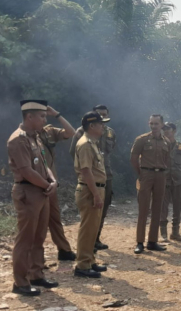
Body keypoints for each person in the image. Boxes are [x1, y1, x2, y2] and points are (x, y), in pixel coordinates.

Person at [7, 100, 59, 296]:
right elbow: (26, 171)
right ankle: (20, 282)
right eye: (42, 116)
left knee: (39, 236)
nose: (45, 120)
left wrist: (52, 180)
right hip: (28, 192)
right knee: (25, 239)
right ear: (30, 117)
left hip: (42, 191)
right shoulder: (17, 140)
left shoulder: (35, 137)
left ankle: (36, 274)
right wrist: (47, 185)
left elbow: (45, 164)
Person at [69, 105, 117, 250]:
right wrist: (84, 170)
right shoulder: (83, 134)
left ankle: (95, 239)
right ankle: (87, 250)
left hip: (105, 175)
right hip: (89, 176)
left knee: (102, 209)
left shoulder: (110, 133)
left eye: (104, 115)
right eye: (99, 115)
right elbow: (74, 152)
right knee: (90, 213)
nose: (103, 119)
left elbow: (109, 153)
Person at [73, 112, 110, 278]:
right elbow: (86, 171)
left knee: (93, 228)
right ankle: (82, 265)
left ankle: (90, 260)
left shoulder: (93, 143)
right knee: (88, 229)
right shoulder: (86, 144)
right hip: (90, 190)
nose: (103, 126)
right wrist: (96, 194)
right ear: (92, 126)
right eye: (101, 124)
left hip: (95, 189)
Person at [38, 106, 76, 261]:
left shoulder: (49, 132)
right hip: (35, 184)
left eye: (45, 115)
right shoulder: (25, 136)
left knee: (55, 217)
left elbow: (70, 132)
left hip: (51, 184)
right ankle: (34, 259)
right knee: (37, 222)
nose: (44, 119)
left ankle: (64, 250)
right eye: (41, 116)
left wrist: (57, 114)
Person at [130, 114, 170, 254]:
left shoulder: (166, 141)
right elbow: (134, 158)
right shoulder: (142, 139)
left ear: (162, 125)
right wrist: (140, 174)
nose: (153, 126)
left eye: (156, 124)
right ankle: (140, 242)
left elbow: (167, 159)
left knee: (157, 208)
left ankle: (152, 241)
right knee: (143, 209)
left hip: (161, 175)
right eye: (151, 123)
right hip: (146, 174)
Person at [160, 122, 181, 242]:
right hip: (163, 180)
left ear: (174, 130)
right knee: (163, 207)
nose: (166, 131)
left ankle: (175, 233)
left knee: (178, 207)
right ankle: (163, 234)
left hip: (178, 180)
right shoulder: (160, 144)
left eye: (168, 129)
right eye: (164, 129)